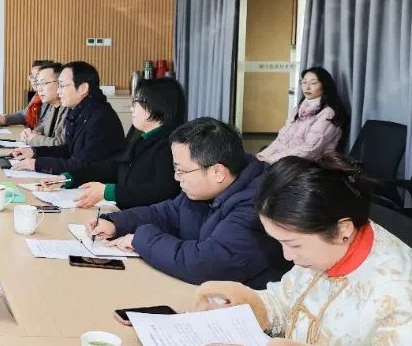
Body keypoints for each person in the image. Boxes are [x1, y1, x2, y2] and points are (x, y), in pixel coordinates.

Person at [193, 155, 411, 346]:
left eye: (293, 244)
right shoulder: (327, 243)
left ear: (343, 230)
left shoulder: (398, 291)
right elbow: (287, 302)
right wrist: (241, 309)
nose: (287, 256)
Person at [87, 117, 289, 288]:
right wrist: (116, 223)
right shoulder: (206, 189)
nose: (176, 177)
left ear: (217, 172)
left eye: (181, 170)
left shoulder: (258, 207)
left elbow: (204, 264)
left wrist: (140, 239)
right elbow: (168, 213)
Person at [46, 77, 185, 209]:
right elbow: (112, 166)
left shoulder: (171, 146)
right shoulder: (141, 136)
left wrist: (110, 191)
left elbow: (160, 192)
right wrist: (68, 178)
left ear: (156, 105)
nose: (132, 108)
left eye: (136, 102)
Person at [10, 61, 125, 174]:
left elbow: (84, 165)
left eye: (62, 85)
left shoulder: (100, 118)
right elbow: (68, 150)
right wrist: (34, 152)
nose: (58, 91)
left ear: (83, 88)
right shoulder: (79, 110)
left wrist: (38, 164)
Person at [257, 66, 348, 164]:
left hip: (307, 163)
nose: (307, 87)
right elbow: (281, 139)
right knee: (252, 161)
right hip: (286, 159)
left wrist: (272, 159)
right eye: (304, 82)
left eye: (313, 83)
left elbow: (309, 150)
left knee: (255, 168)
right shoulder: (299, 108)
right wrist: (263, 156)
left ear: (325, 86)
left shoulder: (328, 113)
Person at [0, 59, 55, 127]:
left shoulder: (51, 99)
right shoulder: (36, 97)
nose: (34, 80)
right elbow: (25, 115)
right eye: (32, 77)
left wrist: (35, 132)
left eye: (37, 76)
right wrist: (5, 119)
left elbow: (46, 126)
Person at [20, 62, 66, 148]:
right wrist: (32, 132)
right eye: (38, 84)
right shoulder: (52, 106)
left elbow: (62, 145)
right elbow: (44, 126)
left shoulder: (71, 109)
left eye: (44, 83)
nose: (39, 89)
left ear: (60, 83)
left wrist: (33, 138)